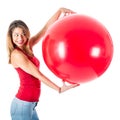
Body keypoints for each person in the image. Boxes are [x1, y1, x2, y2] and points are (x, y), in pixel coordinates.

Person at [6, 7, 79, 120]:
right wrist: (59, 89)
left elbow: (45, 29)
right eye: (16, 35)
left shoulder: (27, 46)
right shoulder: (17, 55)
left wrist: (59, 11)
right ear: (11, 37)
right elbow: (38, 75)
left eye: (23, 34)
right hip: (22, 105)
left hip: (30, 104)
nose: (20, 38)